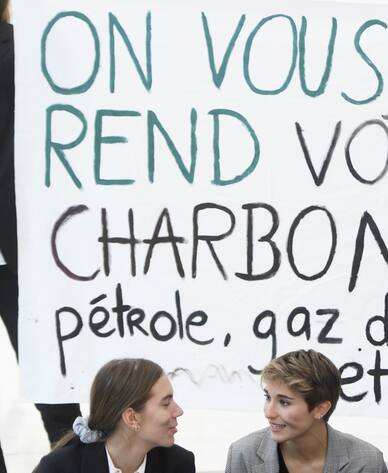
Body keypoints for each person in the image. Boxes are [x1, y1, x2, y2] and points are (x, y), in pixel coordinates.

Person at [0, 2, 82, 471]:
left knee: (54, 384)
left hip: (26, 251)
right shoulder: (26, 51)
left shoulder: (28, 54)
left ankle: (72, 460)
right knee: (53, 380)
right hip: (27, 250)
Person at [225, 349, 388, 473]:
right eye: (268, 397)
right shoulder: (243, 455)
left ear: (320, 409)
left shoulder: (367, 462)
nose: (269, 412)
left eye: (284, 402)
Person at [34, 358, 195, 473]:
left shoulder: (179, 464)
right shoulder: (59, 468)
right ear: (131, 418)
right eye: (165, 404)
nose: (178, 411)